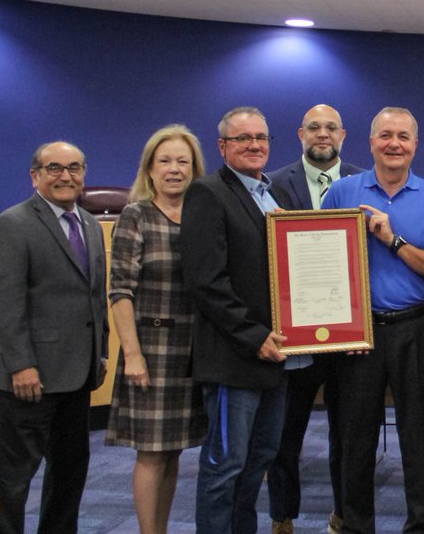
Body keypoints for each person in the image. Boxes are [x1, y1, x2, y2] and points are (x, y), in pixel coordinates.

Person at [322, 107, 424, 534]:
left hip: (417, 328)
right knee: (355, 438)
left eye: (403, 136)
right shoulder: (342, 192)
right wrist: (342, 325)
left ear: (415, 145)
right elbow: (322, 263)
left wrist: (392, 240)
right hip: (358, 335)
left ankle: (422, 526)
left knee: (418, 438)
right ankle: (355, 526)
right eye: (385, 135)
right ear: (370, 142)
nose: (394, 144)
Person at [180, 107, 301, 534]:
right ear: (223, 147)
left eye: (262, 138)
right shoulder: (208, 194)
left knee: (259, 460)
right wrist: (253, 337)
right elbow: (205, 281)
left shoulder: (274, 196)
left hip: (276, 356)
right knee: (224, 466)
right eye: (243, 138)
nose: (254, 145)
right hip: (236, 358)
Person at [0, 141, 109, 534]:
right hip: (26, 379)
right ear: (34, 175)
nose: (65, 176)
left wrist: (99, 354)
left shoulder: (89, 223)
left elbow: (94, 297)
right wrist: (21, 364)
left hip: (77, 375)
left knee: (69, 476)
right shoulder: (12, 223)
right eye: (54, 168)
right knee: (13, 482)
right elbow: (4, 301)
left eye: (74, 168)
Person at [266, 104, 364, 534]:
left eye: (330, 128)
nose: (322, 134)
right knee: (287, 432)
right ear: (299, 133)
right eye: (313, 128)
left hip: (350, 333)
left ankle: (343, 514)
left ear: (342, 135)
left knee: (348, 433)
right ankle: (282, 515)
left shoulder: (364, 181)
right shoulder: (273, 184)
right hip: (295, 331)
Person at [106, 125, 208, 534]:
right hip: (150, 348)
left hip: (193, 349)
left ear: (194, 169)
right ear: (149, 169)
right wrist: (132, 355)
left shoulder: (202, 216)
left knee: (173, 451)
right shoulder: (136, 215)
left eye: (183, 161)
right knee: (150, 453)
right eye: (164, 161)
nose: (174, 169)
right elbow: (120, 291)